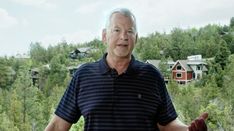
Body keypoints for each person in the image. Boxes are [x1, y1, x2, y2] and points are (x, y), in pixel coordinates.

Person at [45, 8, 208, 131]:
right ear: (104, 36)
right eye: (117, 30)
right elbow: (58, 126)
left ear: (136, 38)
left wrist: (188, 130)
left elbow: (167, 124)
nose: (124, 36)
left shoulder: (151, 76)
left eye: (130, 31)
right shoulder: (84, 75)